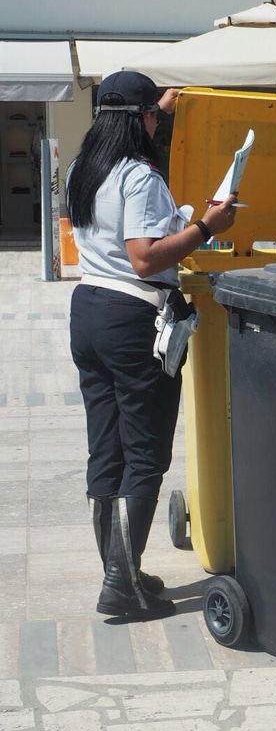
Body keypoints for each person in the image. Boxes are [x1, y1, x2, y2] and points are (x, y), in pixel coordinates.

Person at [67, 70, 237, 620]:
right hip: (132, 316)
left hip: (89, 309)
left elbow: (122, 240)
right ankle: (121, 583)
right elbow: (144, 256)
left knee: (107, 449)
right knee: (144, 454)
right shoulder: (138, 176)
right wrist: (207, 226)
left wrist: (181, 219)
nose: (156, 124)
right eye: (154, 117)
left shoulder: (83, 169)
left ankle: (123, 571)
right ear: (140, 121)